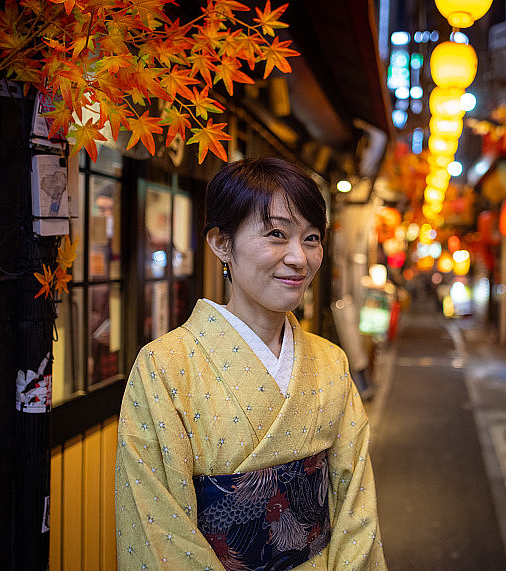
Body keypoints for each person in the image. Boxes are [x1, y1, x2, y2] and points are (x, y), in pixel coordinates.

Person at [115, 158, 387, 570]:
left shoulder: (331, 362)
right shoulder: (164, 367)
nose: (299, 258)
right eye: (277, 234)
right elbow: (158, 526)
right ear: (221, 243)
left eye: (311, 238)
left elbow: (356, 505)